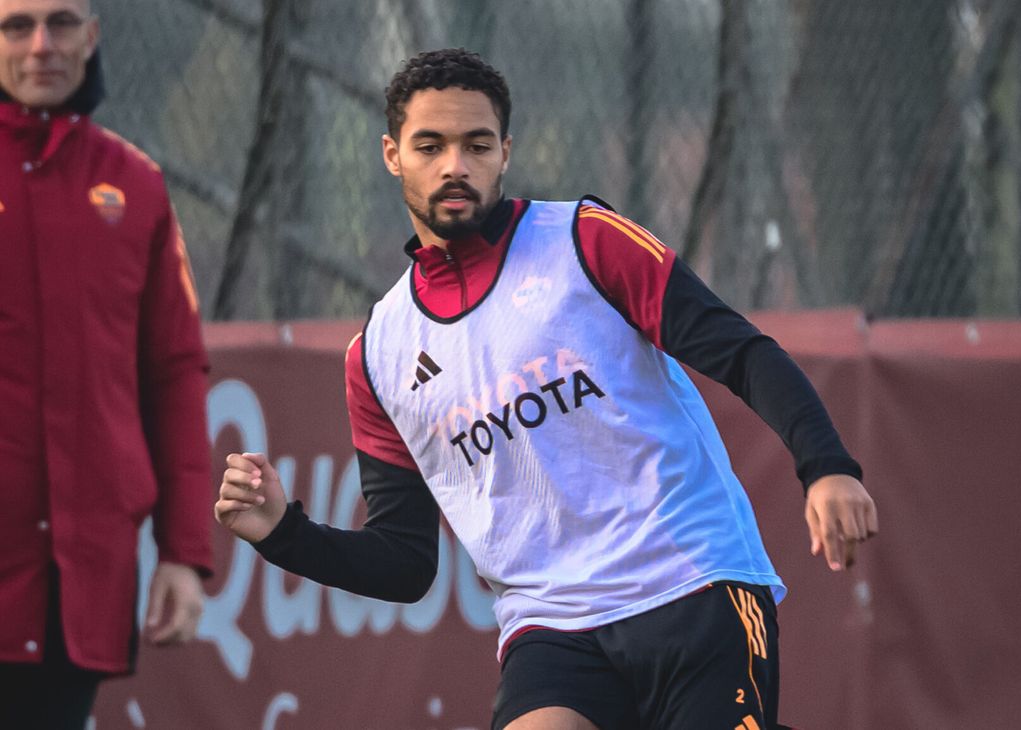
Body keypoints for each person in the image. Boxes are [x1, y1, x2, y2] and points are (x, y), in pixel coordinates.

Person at [216, 48, 877, 730]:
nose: (455, 165)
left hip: (694, 584)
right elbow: (406, 562)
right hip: (553, 627)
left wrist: (825, 467)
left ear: (505, 151)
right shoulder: (378, 354)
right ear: (392, 155)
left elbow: (741, 352)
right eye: (429, 146)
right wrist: (283, 534)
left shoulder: (584, 240)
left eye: (476, 145)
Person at [0, 1, 214, 727]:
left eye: (61, 23)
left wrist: (184, 552)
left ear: (93, 36)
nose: (39, 46)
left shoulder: (139, 186)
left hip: (80, 581)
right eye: (14, 26)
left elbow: (176, 372)